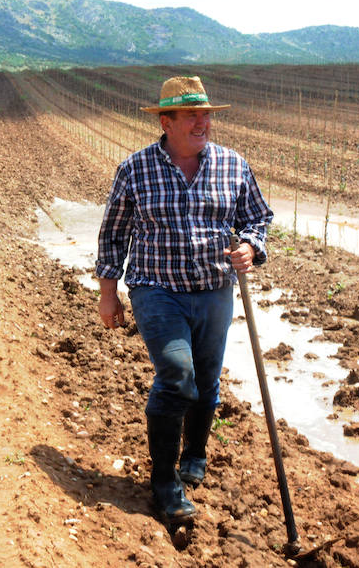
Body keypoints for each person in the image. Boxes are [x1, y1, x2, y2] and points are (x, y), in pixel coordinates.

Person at [96, 76, 273, 524]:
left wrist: (250, 246)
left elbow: (258, 216)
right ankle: (164, 480)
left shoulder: (233, 165)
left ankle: (195, 451)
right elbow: (114, 234)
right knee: (177, 374)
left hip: (213, 289)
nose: (202, 122)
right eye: (191, 114)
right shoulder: (135, 169)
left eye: (207, 113)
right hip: (157, 288)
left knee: (207, 381)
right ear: (166, 121)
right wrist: (108, 293)